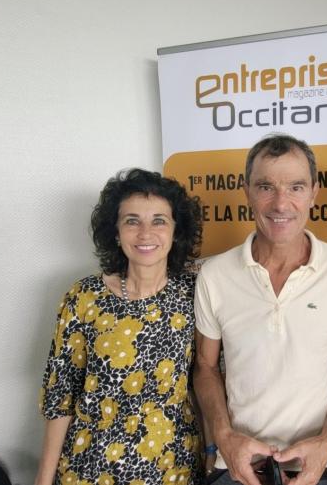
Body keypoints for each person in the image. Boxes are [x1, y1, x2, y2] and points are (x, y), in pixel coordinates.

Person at [193, 134, 327, 485]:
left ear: (314, 192)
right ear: (247, 192)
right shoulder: (214, 274)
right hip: (238, 468)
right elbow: (205, 367)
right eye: (266, 187)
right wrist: (224, 438)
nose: (281, 203)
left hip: (319, 468)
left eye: (296, 187)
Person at [35, 168, 205, 485]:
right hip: (90, 467)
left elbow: (205, 381)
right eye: (131, 221)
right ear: (115, 231)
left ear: (175, 231)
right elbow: (61, 397)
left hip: (171, 466)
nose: (145, 233)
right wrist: (43, 479)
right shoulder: (83, 297)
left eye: (159, 220)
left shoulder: (194, 294)